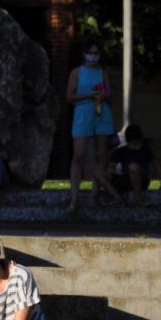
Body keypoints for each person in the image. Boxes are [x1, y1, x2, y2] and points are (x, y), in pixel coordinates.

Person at [65, 42, 121, 214]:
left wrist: (103, 96)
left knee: (100, 155)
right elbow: (70, 97)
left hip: (101, 114)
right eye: (91, 52)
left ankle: (94, 196)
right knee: (79, 155)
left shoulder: (103, 73)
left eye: (97, 53)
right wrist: (89, 95)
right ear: (85, 53)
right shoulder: (76, 73)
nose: (94, 56)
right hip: (83, 113)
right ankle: (73, 198)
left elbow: (111, 97)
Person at [109, 124, 161, 205]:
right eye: (133, 143)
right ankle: (117, 198)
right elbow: (111, 166)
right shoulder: (120, 151)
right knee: (98, 172)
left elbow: (156, 167)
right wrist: (109, 171)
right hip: (125, 180)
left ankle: (138, 198)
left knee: (133, 167)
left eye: (137, 142)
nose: (136, 145)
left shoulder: (145, 151)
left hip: (141, 180)